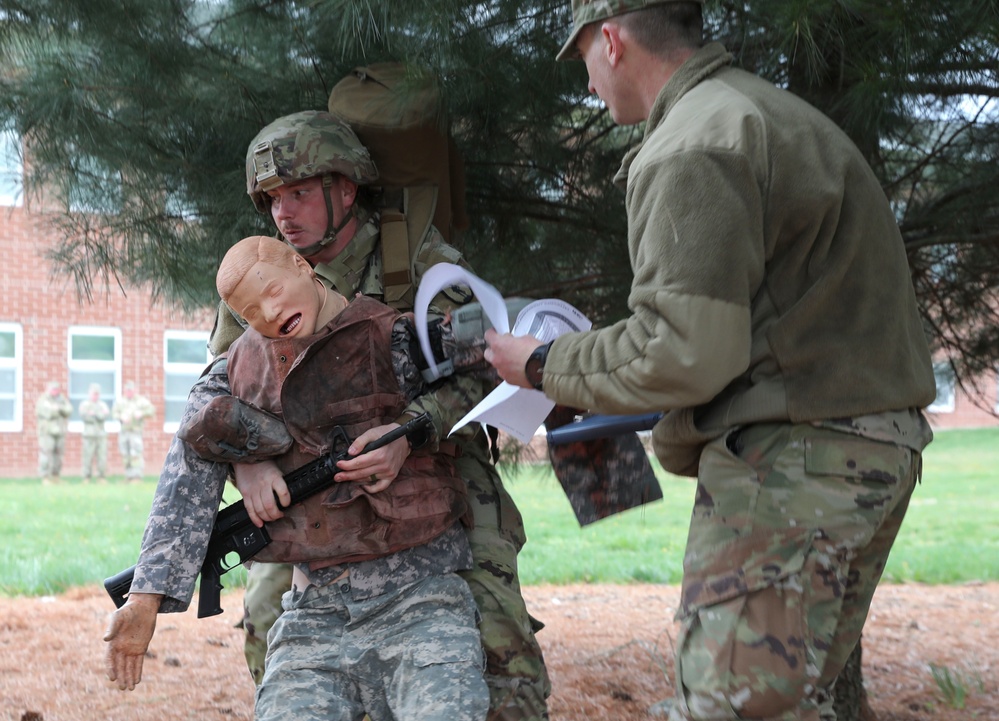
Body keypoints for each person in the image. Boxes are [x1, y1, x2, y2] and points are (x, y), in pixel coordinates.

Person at [483, 2, 936, 720]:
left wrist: (540, 363)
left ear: (611, 40)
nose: (590, 88)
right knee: (790, 702)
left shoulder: (695, 139)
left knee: (734, 707)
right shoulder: (763, 113)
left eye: (587, 65)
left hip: (794, 464)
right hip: (855, 453)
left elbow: (684, 351)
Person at [105, 109, 549, 721]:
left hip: (431, 456)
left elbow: (490, 362)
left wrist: (410, 432)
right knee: (268, 623)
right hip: (301, 479)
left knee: (494, 631)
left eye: (300, 193)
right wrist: (252, 466)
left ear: (345, 189)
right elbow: (215, 411)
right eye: (272, 200)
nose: (284, 213)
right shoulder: (255, 277)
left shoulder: (415, 259)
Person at [106, 234, 490, 720]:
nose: (268, 314)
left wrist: (412, 430)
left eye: (271, 291)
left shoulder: (393, 337)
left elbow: (499, 353)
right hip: (315, 614)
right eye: (250, 313)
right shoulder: (237, 373)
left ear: (300, 264)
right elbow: (190, 462)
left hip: (422, 600)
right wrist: (145, 597)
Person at [112, 381, 156, 482]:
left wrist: (142, 413)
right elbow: (114, 413)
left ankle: (136, 477)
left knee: (135, 453)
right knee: (125, 454)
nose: (129, 393)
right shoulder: (120, 402)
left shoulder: (140, 401)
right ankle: (129, 476)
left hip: (135, 432)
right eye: (127, 391)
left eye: (131, 391)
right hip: (124, 432)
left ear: (134, 391)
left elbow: (152, 410)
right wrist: (120, 417)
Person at [35, 380, 72, 485]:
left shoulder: (61, 399)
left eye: (57, 389)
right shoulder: (43, 400)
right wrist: (57, 410)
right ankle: (45, 477)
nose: (55, 391)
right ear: (48, 389)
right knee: (46, 454)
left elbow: (69, 410)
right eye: (53, 389)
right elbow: (47, 413)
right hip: (47, 432)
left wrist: (58, 408)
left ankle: (56, 476)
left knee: (58, 455)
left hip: (59, 431)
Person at [79, 383, 110, 483]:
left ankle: (101, 477)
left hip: (101, 435)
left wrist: (94, 414)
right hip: (89, 436)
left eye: (97, 394)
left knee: (102, 457)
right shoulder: (85, 404)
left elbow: (104, 416)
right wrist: (98, 415)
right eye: (93, 394)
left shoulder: (102, 405)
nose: (95, 396)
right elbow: (84, 416)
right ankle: (86, 477)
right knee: (87, 457)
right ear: (89, 393)